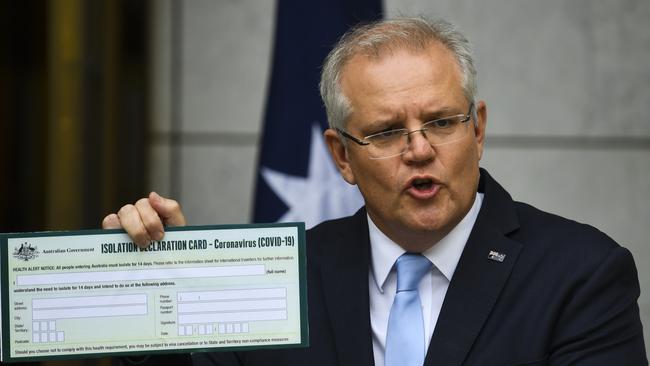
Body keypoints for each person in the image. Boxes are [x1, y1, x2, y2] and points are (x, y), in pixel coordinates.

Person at [104, 17, 647, 366]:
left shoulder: (581, 271)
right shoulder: (282, 275)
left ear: (477, 131)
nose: (419, 149)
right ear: (342, 156)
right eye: (388, 132)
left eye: (441, 122)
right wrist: (157, 293)